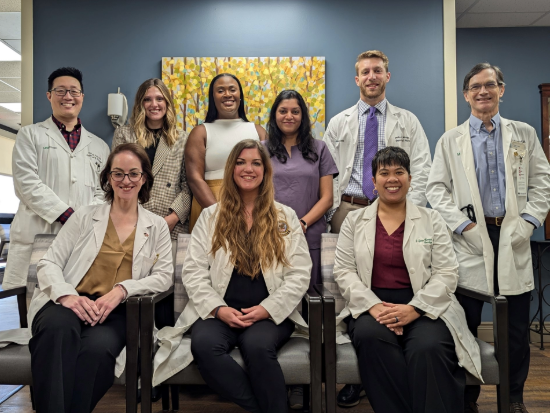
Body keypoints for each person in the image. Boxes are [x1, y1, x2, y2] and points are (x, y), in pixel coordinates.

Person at [153, 139, 311, 413]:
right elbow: (193, 272)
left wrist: (267, 309)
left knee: (257, 347)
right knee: (204, 347)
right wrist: (218, 309)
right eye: (240, 162)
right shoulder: (210, 217)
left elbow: (299, 273)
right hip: (219, 313)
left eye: (256, 163)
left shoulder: (286, 216)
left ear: (265, 170)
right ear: (231, 169)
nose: (248, 169)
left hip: (269, 314)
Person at [426, 63, 550, 413]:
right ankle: (467, 399)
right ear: (466, 95)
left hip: (513, 235)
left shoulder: (523, 134)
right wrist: (462, 226)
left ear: (501, 90)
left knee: (515, 329)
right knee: (464, 326)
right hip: (469, 238)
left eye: (490, 85)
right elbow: (436, 189)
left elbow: (542, 182)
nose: (484, 91)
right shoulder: (451, 140)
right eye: (476, 87)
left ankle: (513, 398)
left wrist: (528, 222)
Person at [27, 143, 173, 413]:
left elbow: (164, 277)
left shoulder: (157, 226)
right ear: (108, 177)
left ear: (144, 178)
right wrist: (67, 295)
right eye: (118, 173)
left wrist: (122, 290)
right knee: (57, 331)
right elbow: (48, 263)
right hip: (67, 303)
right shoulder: (84, 216)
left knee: (97, 352)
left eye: (133, 173)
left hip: (116, 312)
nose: (126, 180)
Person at [333, 147, 481, 413]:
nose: (392, 179)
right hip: (372, 306)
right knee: (370, 337)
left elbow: (447, 272)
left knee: (428, 347)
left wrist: (415, 309)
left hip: (424, 305)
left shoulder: (431, 219)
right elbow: (344, 271)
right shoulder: (354, 221)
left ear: (410, 179)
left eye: (399, 172)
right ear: (374, 181)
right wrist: (374, 306)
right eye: (384, 173)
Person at [322, 50, 432, 406]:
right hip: (349, 209)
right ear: (357, 79)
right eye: (365, 72)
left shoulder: (408, 121)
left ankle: (402, 353)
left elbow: (422, 168)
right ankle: (358, 375)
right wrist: (330, 212)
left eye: (378, 71)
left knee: (398, 276)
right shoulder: (338, 122)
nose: (372, 76)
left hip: (398, 209)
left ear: (387, 76)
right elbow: (327, 171)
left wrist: (412, 210)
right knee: (350, 289)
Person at [2, 67, 110, 290]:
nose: (68, 96)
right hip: (36, 234)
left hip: (80, 238)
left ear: (82, 96)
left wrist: (83, 218)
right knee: (31, 300)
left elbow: (104, 191)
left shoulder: (99, 146)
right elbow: (26, 183)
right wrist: (66, 214)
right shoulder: (29, 135)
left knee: (75, 299)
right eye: (60, 91)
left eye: (74, 91)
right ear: (49, 95)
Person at [264, 89, 338, 287]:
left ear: (303, 116)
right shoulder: (261, 150)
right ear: (275, 115)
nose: (289, 116)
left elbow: (327, 198)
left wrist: (302, 224)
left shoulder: (320, 149)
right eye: (283, 111)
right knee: (273, 292)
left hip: (309, 234)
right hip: (269, 234)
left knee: (309, 294)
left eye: (295, 111)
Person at [112, 78, 192, 256]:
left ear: (167, 103)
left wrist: (173, 218)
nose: (154, 104)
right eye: (147, 99)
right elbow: (118, 178)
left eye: (159, 99)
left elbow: (188, 185)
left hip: (171, 224)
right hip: (131, 219)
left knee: (168, 273)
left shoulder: (182, 138)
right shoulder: (124, 135)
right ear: (140, 103)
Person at [185, 73, 267, 231]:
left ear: (240, 95)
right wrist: (218, 214)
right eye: (221, 90)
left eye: (232, 89)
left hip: (252, 207)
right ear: (213, 97)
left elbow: (268, 174)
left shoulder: (258, 131)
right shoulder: (200, 132)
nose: (227, 94)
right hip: (209, 205)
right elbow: (194, 178)